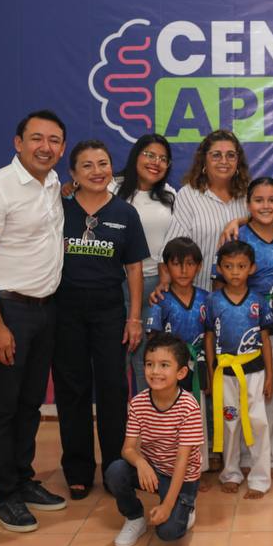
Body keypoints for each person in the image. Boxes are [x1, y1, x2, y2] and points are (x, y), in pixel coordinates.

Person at [0, 110, 68, 533]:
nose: (46, 147)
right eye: (37, 138)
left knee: (30, 403)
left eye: (54, 140)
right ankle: (4, 494)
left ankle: (23, 479)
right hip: (8, 310)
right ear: (18, 142)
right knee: (3, 406)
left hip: (46, 309)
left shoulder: (54, 183)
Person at [52, 141, 149, 501]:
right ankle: (78, 470)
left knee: (113, 389)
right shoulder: (58, 208)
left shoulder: (125, 213)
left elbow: (134, 268)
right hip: (65, 310)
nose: (97, 171)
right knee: (72, 389)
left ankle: (114, 468)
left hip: (110, 310)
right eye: (87, 165)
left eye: (103, 163)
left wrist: (134, 318)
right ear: (73, 173)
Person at [106, 332, 204, 546]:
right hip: (154, 470)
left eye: (164, 365)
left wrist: (167, 507)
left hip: (182, 476)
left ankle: (186, 505)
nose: (155, 371)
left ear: (181, 372)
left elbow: (182, 461)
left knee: (168, 533)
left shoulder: (189, 407)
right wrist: (141, 463)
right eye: (150, 364)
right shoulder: (138, 402)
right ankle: (134, 518)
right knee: (115, 471)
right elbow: (127, 449)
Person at [230, 178, 273, 476]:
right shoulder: (237, 237)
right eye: (258, 200)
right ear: (248, 204)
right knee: (247, 393)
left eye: (272, 200)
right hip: (245, 326)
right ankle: (246, 456)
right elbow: (222, 283)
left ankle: (271, 456)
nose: (266, 206)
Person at [205, 240, 273, 497]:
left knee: (258, 422)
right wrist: (211, 371)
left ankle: (260, 478)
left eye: (241, 266)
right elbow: (209, 337)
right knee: (229, 422)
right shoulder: (213, 301)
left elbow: (265, 339)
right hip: (224, 371)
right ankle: (231, 473)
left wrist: (269, 376)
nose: (235, 272)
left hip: (254, 370)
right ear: (219, 268)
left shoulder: (258, 301)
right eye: (229, 266)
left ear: (252, 268)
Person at [113, 133, 176, 394]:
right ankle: (118, 419)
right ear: (135, 155)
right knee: (114, 361)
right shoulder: (111, 188)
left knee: (147, 363)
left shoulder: (170, 196)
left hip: (153, 289)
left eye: (163, 158)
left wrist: (166, 274)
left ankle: (145, 418)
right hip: (114, 287)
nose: (155, 162)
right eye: (149, 155)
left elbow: (174, 242)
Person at [145, 237, 212, 478]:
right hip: (170, 369)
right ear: (165, 267)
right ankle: (168, 468)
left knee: (196, 417)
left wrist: (210, 370)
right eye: (176, 264)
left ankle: (196, 469)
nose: (183, 270)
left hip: (198, 365)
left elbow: (210, 336)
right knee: (171, 418)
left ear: (199, 266)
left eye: (190, 264)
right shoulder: (160, 301)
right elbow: (153, 341)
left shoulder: (206, 299)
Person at [161, 130, 250, 293]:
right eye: (216, 155)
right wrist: (165, 285)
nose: (224, 161)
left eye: (231, 155)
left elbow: (268, 222)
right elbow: (174, 249)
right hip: (199, 295)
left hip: (241, 298)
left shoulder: (249, 196)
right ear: (204, 160)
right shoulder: (189, 195)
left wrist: (240, 221)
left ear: (238, 161)